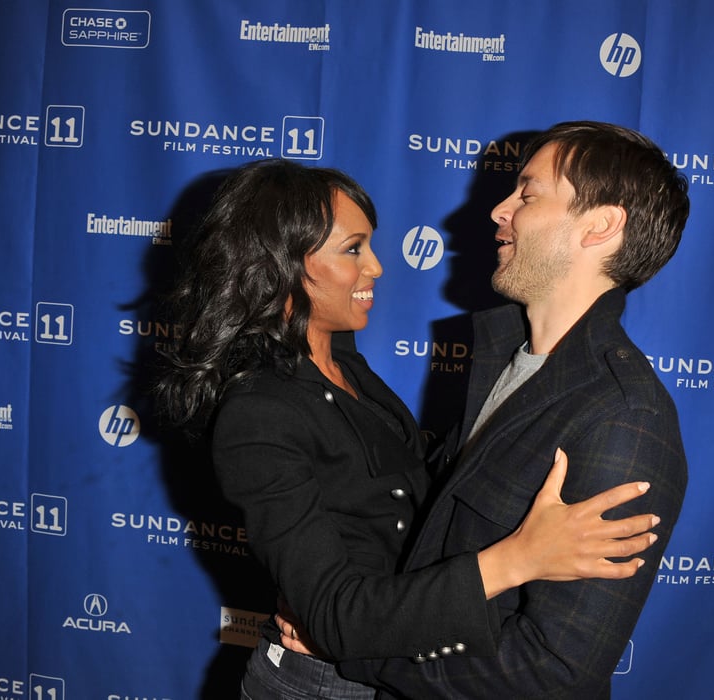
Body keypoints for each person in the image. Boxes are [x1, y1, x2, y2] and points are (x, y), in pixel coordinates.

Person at [155, 158, 662, 699]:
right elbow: (334, 617)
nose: (375, 267)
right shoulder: (260, 411)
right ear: (281, 265)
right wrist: (519, 557)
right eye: (353, 249)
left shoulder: (344, 363)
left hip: (393, 666)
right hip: (318, 685)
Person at [282, 121, 691, 698]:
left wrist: (357, 649)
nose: (499, 211)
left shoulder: (623, 420)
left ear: (600, 226)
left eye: (527, 194)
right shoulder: (510, 363)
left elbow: (550, 674)